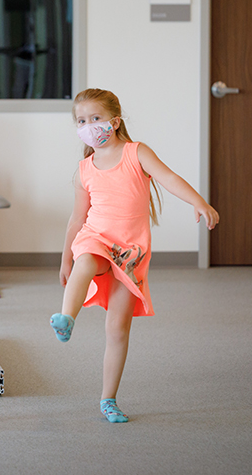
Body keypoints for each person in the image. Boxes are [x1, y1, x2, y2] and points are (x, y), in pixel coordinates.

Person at [51, 88, 219, 423]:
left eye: (94, 118)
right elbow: (76, 219)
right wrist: (64, 259)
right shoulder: (84, 169)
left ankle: (108, 400)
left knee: (117, 330)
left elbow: (168, 177)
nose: (87, 126)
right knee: (86, 259)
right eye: (81, 121)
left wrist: (198, 201)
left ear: (114, 121)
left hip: (130, 252)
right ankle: (66, 318)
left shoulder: (135, 153)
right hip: (96, 238)